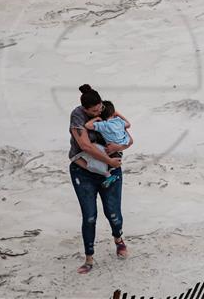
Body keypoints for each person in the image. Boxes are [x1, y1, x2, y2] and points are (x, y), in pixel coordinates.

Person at [69, 84, 133, 274]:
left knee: (113, 212)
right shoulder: (78, 116)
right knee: (89, 216)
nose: (99, 111)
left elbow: (128, 139)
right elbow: (85, 145)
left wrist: (118, 148)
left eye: (100, 108)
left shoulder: (107, 109)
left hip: (111, 170)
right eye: (94, 110)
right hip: (84, 171)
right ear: (85, 109)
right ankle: (89, 258)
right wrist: (109, 160)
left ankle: (118, 240)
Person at [73, 100, 132, 188]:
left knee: (91, 150)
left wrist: (95, 119)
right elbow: (128, 125)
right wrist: (117, 114)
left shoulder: (104, 125)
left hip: (111, 153)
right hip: (119, 152)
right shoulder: (120, 122)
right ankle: (109, 173)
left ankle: (108, 175)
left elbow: (88, 126)